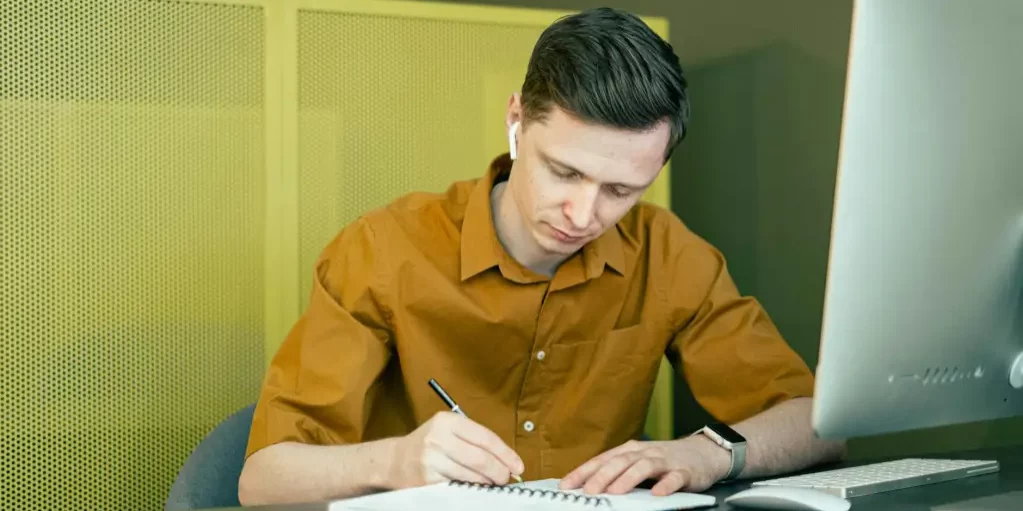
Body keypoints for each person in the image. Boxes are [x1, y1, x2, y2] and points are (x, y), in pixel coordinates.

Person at [237, 7, 845, 506]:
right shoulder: (383, 249)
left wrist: (706, 452)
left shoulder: (668, 254)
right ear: (516, 121)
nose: (584, 215)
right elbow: (263, 479)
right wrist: (395, 459)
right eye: (564, 172)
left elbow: (816, 423)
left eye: (620, 191)